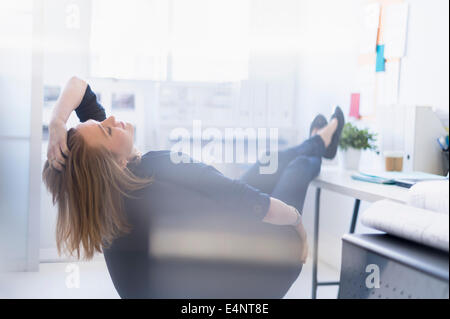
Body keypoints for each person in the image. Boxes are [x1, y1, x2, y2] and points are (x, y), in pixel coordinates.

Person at [42, 76, 344, 298]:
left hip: (226, 237)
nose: (110, 118)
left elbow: (80, 89)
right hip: (271, 258)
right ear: (114, 165)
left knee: (270, 160)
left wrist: (58, 122)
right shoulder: (157, 165)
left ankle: (316, 141)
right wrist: (298, 226)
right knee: (296, 168)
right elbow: (240, 197)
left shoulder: (106, 198)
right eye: (106, 129)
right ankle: (321, 142)